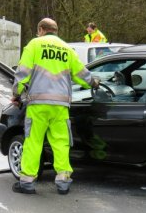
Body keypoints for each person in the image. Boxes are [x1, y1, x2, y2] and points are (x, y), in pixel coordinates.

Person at [11, 18, 99, 195]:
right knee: (61, 143)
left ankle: (27, 182)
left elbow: (23, 74)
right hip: (60, 106)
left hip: (38, 104)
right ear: (56, 31)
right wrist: (94, 82)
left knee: (34, 142)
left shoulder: (34, 45)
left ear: (41, 30)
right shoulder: (67, 49)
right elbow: (82, 74)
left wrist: (16, 94)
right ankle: (63, 181)